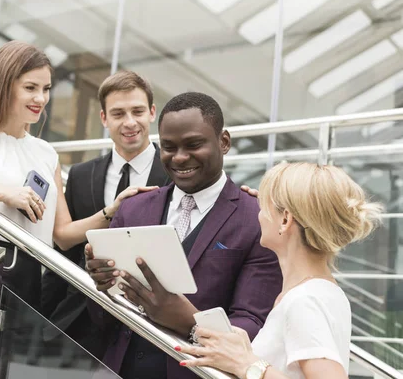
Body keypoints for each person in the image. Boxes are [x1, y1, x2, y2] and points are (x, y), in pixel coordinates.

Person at [0, 41, 154, 378]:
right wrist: (2, 193)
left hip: (27, 282)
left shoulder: (45, 153)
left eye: (47, 89)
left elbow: (63, 236)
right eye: (31, 88)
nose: (41, 98)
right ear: (4, 85)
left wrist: (111, 210)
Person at [84, 92, 283, 379]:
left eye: (193, 145)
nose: (179, 157)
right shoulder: (133, 209)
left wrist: (190, 324)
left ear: (223, 142)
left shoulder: (256, 218)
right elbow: (103, 316)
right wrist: (100, 284)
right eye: (168, 147)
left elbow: (252, 320)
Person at [177, 162, 383, 379]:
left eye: (264, 207)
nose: (258, 215)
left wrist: (249, 365)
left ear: (285, 220)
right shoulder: (316, 293)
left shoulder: (304, 301)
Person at [41, 70, 171, 359]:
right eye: (118, 113)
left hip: (146, 320)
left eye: (137, 111)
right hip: (79, 319)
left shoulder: (174, 172)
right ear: (103, 118)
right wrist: (44, 315)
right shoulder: (81, 174)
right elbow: (64, 251)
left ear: (151, 113)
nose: (129, 122)